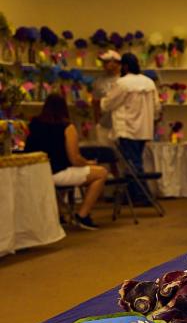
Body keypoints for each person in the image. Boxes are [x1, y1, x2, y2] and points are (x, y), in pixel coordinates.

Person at [24, 93, 108, 230]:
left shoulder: (34, 124)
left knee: (64, 181)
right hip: (57, 172)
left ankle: (59, 213)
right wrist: (88, 163)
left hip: (37, 171)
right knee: (101, 173)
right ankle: (82, 215)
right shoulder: (67, 127)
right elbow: (74, 158)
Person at [102, 53, 160, 204]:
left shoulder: (122, 83)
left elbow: (108, 103)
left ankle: (143, 196)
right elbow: (156, 107)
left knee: (132, 163)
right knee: (134, 161)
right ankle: (132, 195)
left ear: (125, 66)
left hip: (127, 128)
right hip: (144, 129)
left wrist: (101, 101)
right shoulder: (149, 82)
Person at [92, 50, 122, 144]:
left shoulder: (124, 80)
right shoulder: (99, 81)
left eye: (107, 62)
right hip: (104, 125)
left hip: (122, 127)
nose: (104, 65)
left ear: (116, 63)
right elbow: (95, 102)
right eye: (103, 62)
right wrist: (97, 122)